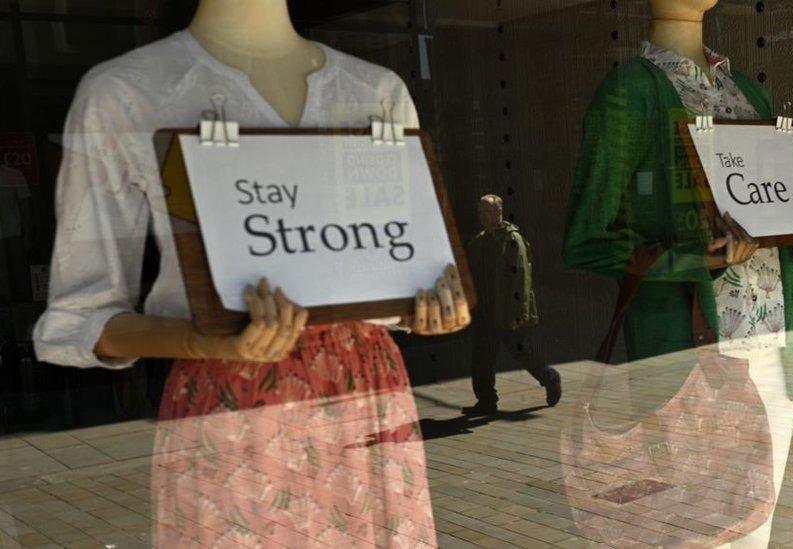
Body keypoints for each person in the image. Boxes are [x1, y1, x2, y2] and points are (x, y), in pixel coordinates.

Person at [32, 0, 468, 545]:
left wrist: (432, 306)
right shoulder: (127, 92)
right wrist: (197, 342)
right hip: (228, 393)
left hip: (367, 387)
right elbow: (79, 316)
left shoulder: (376, 92)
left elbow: (400, 256)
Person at [562, 0, 793, 547]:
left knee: (753, 532)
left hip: (774, 351)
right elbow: (585, 240)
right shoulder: (630, 92)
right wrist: (696, 260)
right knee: (692, 534)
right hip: (690, 360)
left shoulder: (746, 89)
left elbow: (769, 223)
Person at [464, 195, 561, 416]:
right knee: (481, 358)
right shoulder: (479, 240)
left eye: (486, 211)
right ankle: (486, 401)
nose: (482, 215)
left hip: (507, 310)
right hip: (485, 310)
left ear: (499, 212)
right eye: (480, 211)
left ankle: (550, 377)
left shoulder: (512, 240)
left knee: (521, 351)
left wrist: (520, 314)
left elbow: (522, 279)